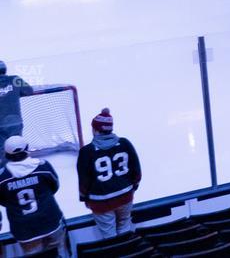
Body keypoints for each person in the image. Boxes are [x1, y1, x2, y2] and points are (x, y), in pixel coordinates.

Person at [77, 108, 141, 238]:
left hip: (101, 203)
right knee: (125, 228)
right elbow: (137, 171)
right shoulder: (125, 143)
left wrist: (84, 198)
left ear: (95, 130)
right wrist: (133, 188)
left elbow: (84, 181)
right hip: (125, 196)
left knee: (109, 236)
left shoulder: (86, 151)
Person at [0, 136, 66, 256]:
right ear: (27, 149)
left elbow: (3, 201)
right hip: (50, 222)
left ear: (7, 154)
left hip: (24, 230)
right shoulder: (43, 167)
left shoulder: (2, 177)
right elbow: (54, 186)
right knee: (59, 254)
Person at [0, 61, 34, 148]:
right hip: (15, 121)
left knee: (3, 150)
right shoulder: (15, 79)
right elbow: (29, 91)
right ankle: (20, 161)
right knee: (18, 148)